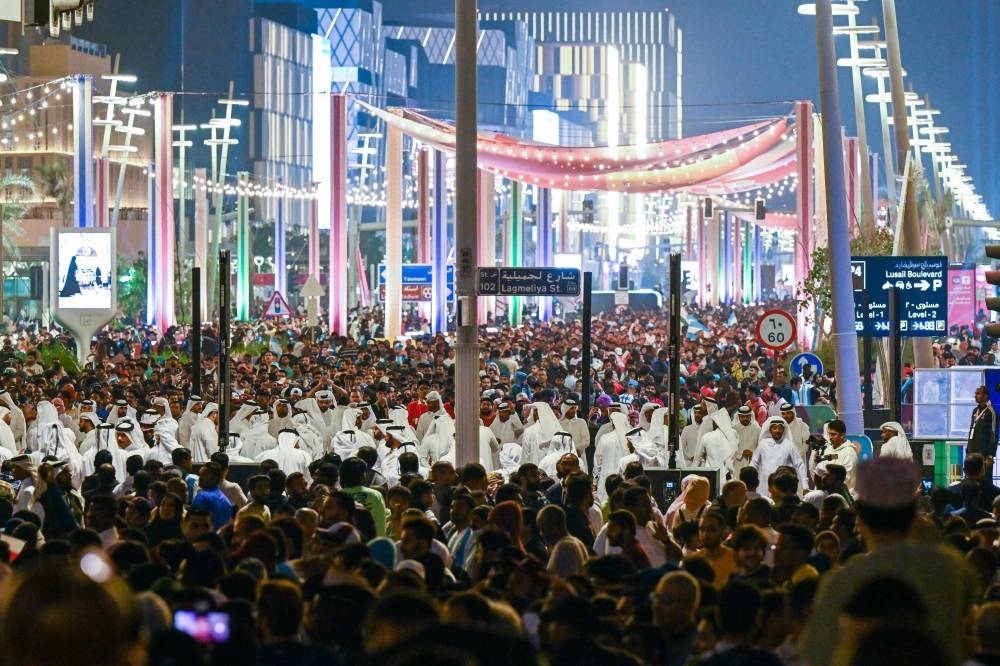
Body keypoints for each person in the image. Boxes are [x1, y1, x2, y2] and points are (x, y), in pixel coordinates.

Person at [799, 457, 981, 666]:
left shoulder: (844, 581)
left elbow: (815, 655)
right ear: (914, 513)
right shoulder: (951, 568)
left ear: (861, 516)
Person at [969, 385, 998, 462]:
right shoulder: (975, 411)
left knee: (984, 474)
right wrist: (968, 450)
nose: (975, 396)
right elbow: (971, 430)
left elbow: (993, 434)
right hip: (972, 453)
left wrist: (990, 456)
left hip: (984, 455)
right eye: (975, 394)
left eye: (978, 394)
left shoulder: (991, 412)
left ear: (985, 396)